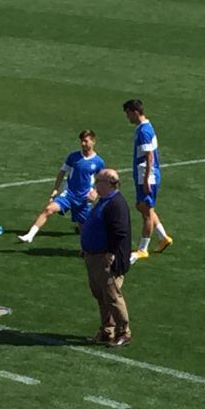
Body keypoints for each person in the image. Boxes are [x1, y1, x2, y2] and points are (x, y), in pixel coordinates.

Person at [18, 130, 106, 243]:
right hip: (69, 195)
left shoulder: (98, 162)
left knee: (86, 229)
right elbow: (62, 172)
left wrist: (95, 192)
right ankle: (30, 235)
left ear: (93, 142)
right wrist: (55, 189)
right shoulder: (73, 157)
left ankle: (88, 249)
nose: (83, 144)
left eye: (86, 141)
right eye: (81, 141)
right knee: (49, 209)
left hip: (84, 199)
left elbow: (102, 179)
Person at [80, 169, 132, 347]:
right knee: (101, 295)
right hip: (94, 256)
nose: (95, 185)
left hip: (106, 258)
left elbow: (120, 232)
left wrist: (111, 253)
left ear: (109, 184)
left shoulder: (116, 204)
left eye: (98, 182)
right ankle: (107, 329)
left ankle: (123, 331)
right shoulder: (103, 201)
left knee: (112, 296)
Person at [122, 99, 173, 262]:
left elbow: (149, 156)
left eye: (128, 113)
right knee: (145, 207)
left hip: (146, 174)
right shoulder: (145, 127)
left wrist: (145, 179)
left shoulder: (144, 131)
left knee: (145, 210)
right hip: (144, 173)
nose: (127, 117)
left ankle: (143, 249)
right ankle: (163, 237)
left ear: (135, 112)